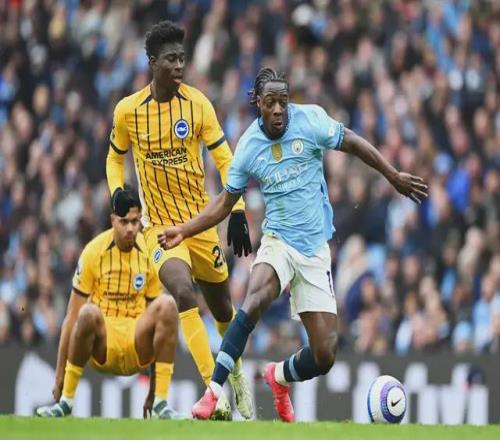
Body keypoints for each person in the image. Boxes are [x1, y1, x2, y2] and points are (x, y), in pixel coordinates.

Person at [158, 67, 429, 422]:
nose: (278, 109)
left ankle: (279, 376)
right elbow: (225, 201)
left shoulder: (311, 120)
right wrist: (184, 230)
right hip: (278, 241)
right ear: (258, 103)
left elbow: (353, 142)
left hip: (315, 249)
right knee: (256, 298)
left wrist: (393, 175)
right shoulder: (249, 146)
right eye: (270, 102)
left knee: (325, 354)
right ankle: (214, 391)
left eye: (283, 102)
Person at [105, 20, 253, 419]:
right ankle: (214, 392)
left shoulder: (198, 104)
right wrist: (116, 191)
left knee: (223, 312)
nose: (179, 66)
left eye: (182, 59)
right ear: (152, 63)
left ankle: (237, 374)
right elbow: (114, 158)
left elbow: (226, 160)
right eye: (171, 59)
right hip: (159, 229)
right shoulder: (129, 112)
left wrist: (237, 209)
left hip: (200, 224)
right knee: (183, 293)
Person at [36, 189, 180, 418]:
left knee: (168, 305)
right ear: (113, 220)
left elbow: (158, 326)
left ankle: (161, 403)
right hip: (103, 347)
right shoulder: (93, 252)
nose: (130, 228)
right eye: (124, 222)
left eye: (135, 221)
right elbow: (71, 318)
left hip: (136, 344)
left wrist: (152, 392)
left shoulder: (149, 252)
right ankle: (66, 402)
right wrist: (59, 375)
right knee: (86, 313)